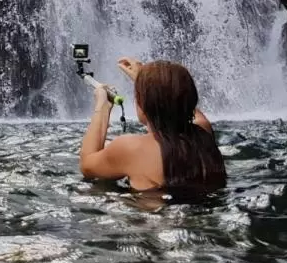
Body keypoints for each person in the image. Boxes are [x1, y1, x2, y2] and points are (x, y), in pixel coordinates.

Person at [79, 58, 226, 193]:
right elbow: (183, 103)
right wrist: (148, 82)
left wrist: (102, 107)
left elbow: (87, 164)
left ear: (143, 104)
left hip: (156, 220)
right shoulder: (204, 132)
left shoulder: (131, 149)